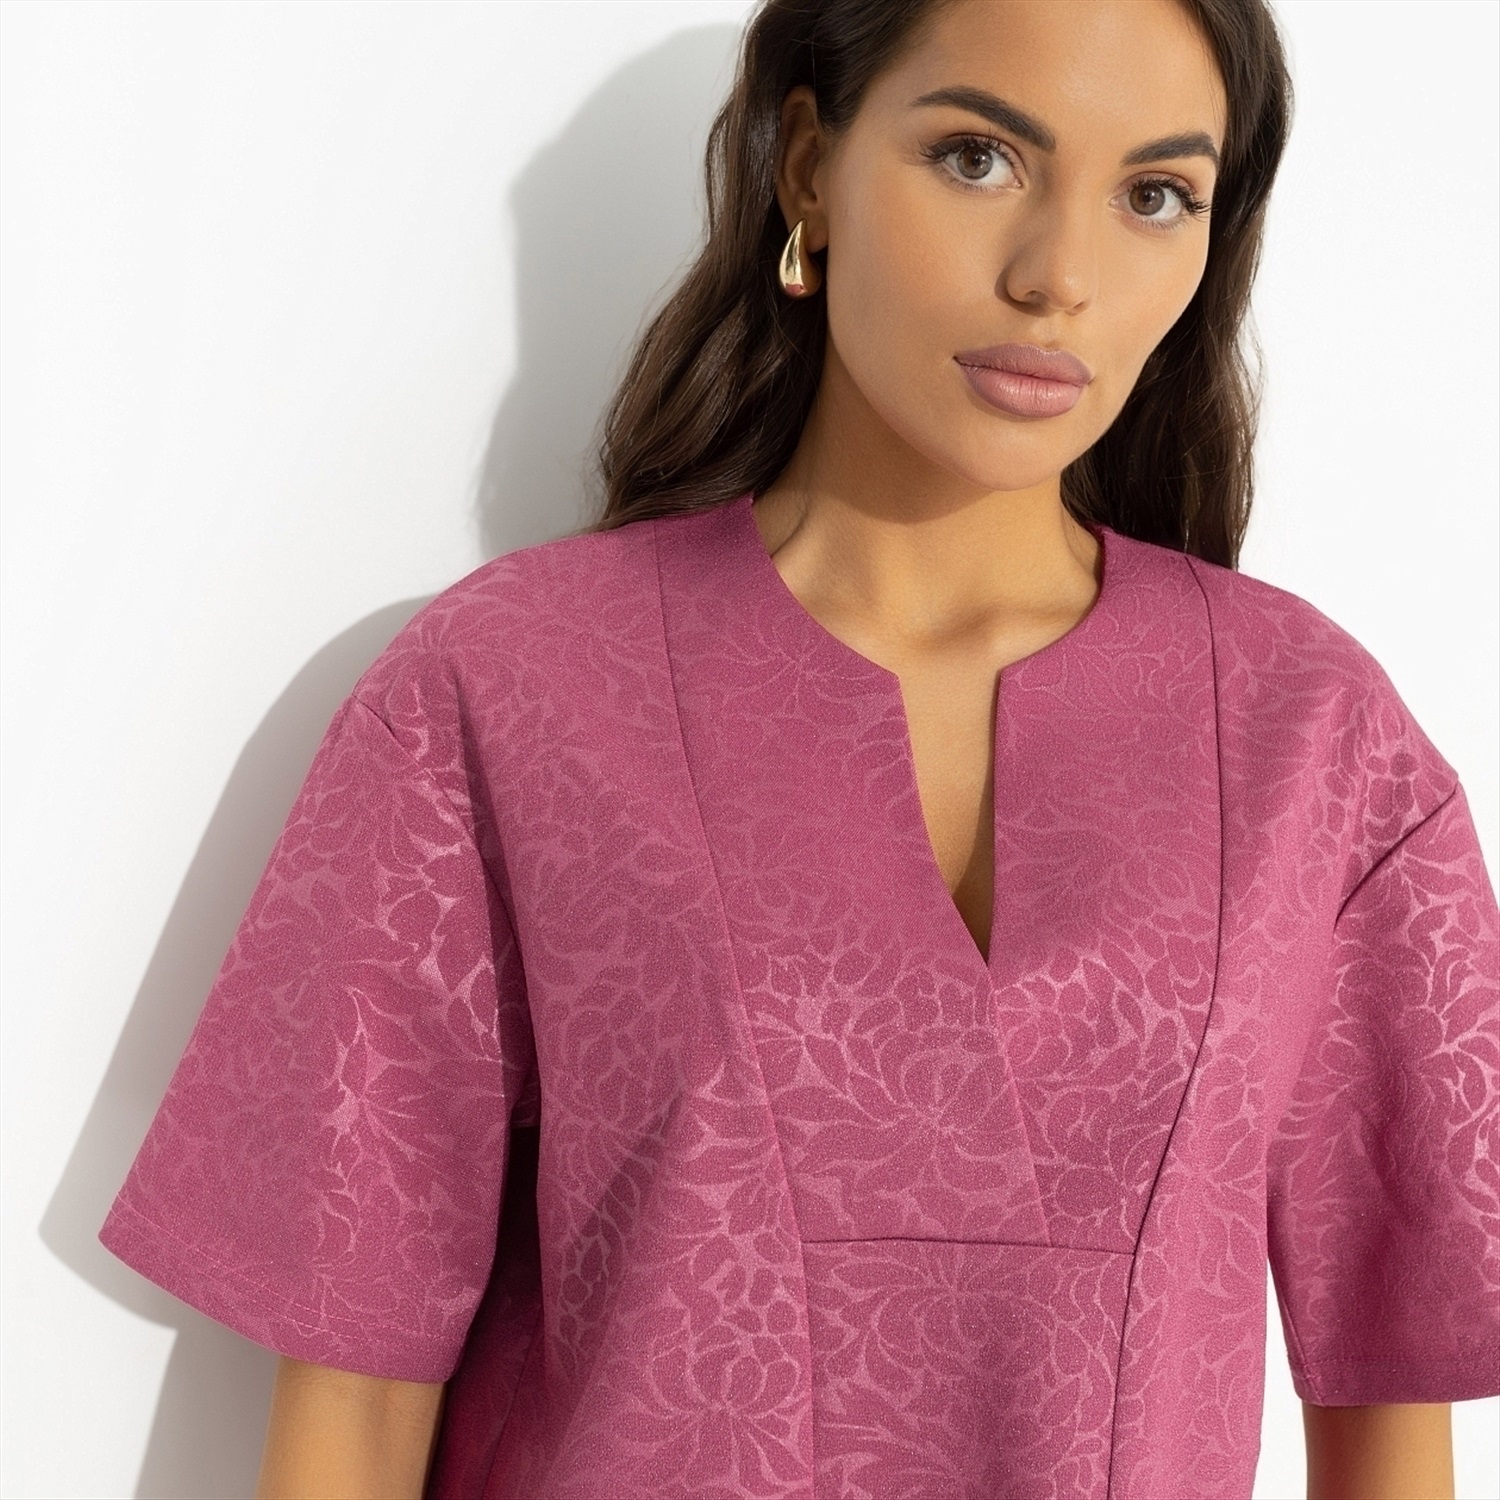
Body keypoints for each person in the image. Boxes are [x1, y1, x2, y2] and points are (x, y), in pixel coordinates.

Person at [99, 0, 1500, 1495]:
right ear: (810, 168)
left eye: (1156, 194)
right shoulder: (507, 689)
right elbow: (355, 1401)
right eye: (978, 157)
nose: (1060, 276)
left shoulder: (1313, 738)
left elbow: (1393, 1401)